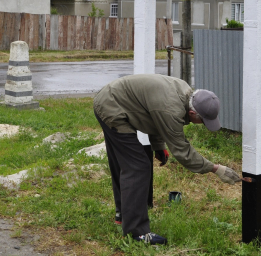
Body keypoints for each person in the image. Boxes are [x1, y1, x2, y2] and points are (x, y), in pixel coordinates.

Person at [93, 74, 241, 245]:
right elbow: (183, 152)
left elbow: (153, 116)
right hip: (112, 107)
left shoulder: (184, 93)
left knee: (128, 163)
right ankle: (137, 233)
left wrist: (158, 146)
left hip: (113, 98)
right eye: (204, 121)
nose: (204, 125)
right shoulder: (172, 110)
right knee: (137, 167)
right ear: (192, 113)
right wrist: (215, 169)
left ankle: (123, 214)